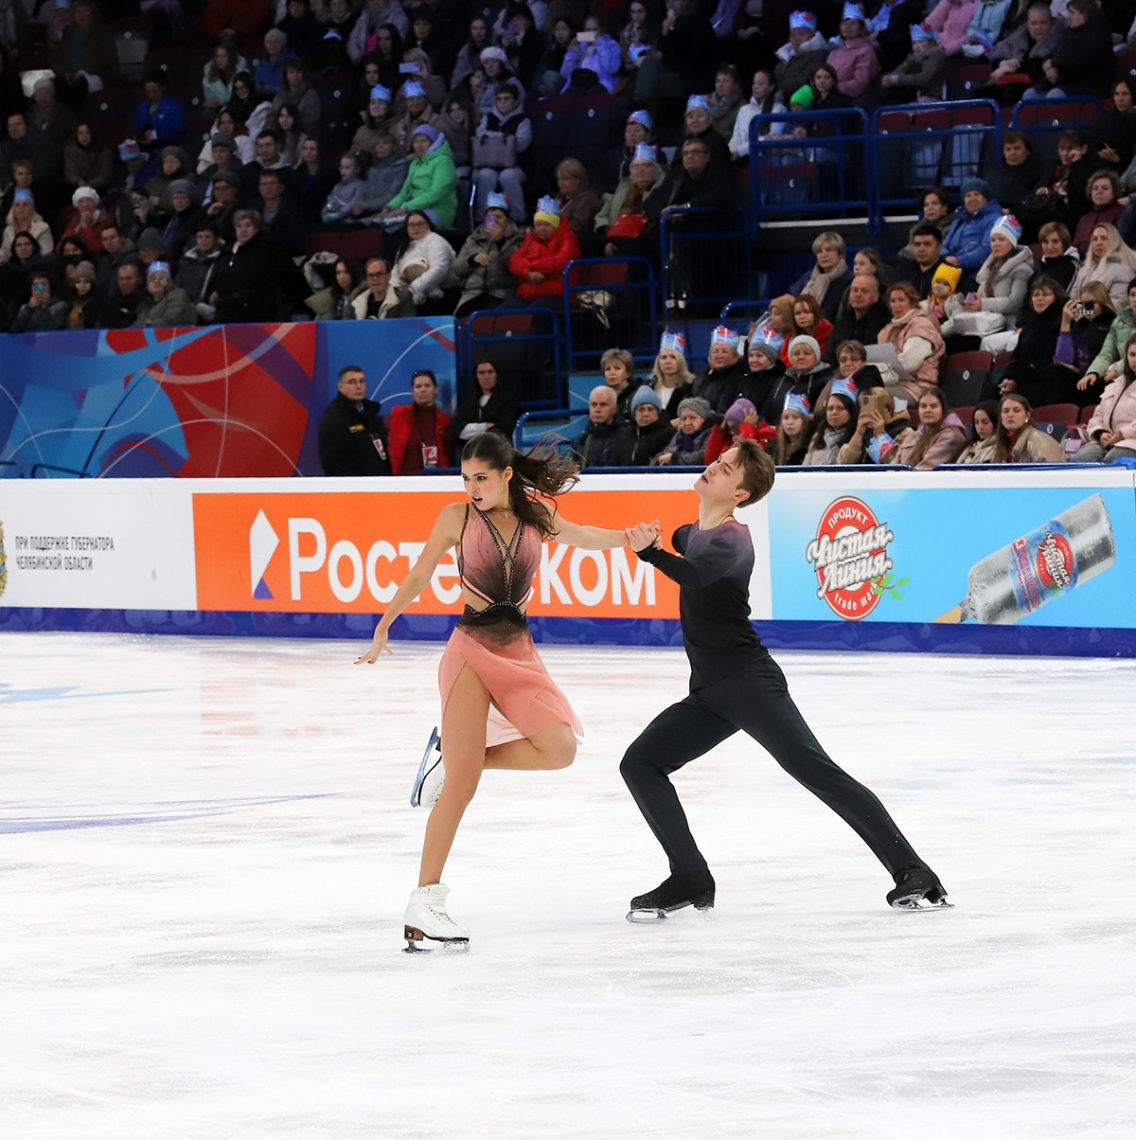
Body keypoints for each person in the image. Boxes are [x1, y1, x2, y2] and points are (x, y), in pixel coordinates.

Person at [620, 441, 947, 919]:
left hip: (748, 683)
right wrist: (660, 538)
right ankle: (690, 874)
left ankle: (914, 871)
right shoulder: (698, 532)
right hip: (710, 693)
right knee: (641, 763)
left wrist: (651, 552)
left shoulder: (735, 539)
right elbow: (682, 536)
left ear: (742, 492)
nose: (714, 465)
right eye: (718, 459)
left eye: (726, 467)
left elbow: (693, 574)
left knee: (817, 771)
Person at [355, 431, 635, 948]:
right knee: (461, 788)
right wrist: (384, 623)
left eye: (481, 478)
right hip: (469, 653)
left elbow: (583, 535)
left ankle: (455, 757)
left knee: (559, 748)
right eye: (465, 479)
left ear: (506, 475)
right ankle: (425, 904)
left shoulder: (536, 517)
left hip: (518, 653)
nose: (472, 488)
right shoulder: (456, 518)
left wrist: (628, 538)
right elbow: (419, 573)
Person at [452, 192, 522, 316]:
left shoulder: (517, 239)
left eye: (499, 217)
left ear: (507, 219)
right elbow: (456, 269)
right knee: (460, 319)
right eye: (490, 218)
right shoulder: (473, 239)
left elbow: (515, 269)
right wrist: (471, 260)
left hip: (500, 293)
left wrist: (499, 243)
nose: (494, 222)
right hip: (472, 293)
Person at [318, 364, 392, 476]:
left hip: (380, 484)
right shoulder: (334, 418)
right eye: (352, 382)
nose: (358, 386)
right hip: (354, 488)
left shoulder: (371, 413)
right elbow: (332, 462)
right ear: (340, 387)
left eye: (362, 381)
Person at [877, 281, 945, 402]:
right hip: (893, 383)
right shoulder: (886, 331)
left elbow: (909, 363)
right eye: (893, 301)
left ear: (912, 302)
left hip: (918, 388)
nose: (896, 305)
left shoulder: (921, 325)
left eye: (901, 300)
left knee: (872, 394)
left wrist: (879, 373)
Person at [509, 196, 580, 305]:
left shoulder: (568, 238)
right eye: (538, 225)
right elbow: (514, 261)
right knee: (505, 312)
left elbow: (559, 262)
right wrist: (528, 274)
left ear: (555, 226)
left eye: (547, 225)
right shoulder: (530, 238)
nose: (542, 228)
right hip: (529, 291)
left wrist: (530, 267)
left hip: (560, 293)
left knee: (536, 311)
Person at [1077, 334, 1136, 463]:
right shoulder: (1116, 385)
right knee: (1080, 458)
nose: (1135, 360)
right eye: (1132, 355)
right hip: (1109, 441)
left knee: (1113, 460)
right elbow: (1097, 416)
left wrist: (1122, 434)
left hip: (1131, 442)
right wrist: (1100, 433)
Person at [388, 369, 452, 474]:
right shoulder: (398, 415)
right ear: (412, 391)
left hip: (435, 481)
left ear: (435, 389)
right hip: (403, 481)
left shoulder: (445, 421)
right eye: (418, 386)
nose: (423, 390)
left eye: (427, 385)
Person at [889, 387, 968, 468]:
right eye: (923, 406)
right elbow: (894, 466)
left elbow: (926, 468)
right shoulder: (912, 436)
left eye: (933, 406)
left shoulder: (951, 436)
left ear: (943, 409)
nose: (928, 410)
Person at [451, 358, 519, 446]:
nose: (486, 376)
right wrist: (485, 426)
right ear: (476, 376)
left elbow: (503, 430)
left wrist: (472, 431)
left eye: (490, 372)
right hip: (473, 455)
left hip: (500, 453)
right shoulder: (468, 402)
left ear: (496, 375)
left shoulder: (508, 400)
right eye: (481, 373)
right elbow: (457, 430)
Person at [940, 179, 1002, 273]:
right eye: (968, 195)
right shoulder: (959, 219)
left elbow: (987, 249)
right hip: (950, 268)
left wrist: (959, 261)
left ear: (986, 198)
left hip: (978, 274)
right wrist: (945, 256)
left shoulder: (994, 219)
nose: (972, 199)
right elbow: (944, 243)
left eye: (976, 194)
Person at [838, 386, 914, 463]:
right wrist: (859, 433)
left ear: (887, 409)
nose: (870, 412)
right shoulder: (863, 432)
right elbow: (845, 462)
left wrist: (880, 436)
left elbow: (897, 462)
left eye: (875, 407)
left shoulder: (905, 433)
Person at [789, 232, 853, 322]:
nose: (823, 255)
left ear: (840, 254)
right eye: (819, 251)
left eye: (829, 250)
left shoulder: (849, 280)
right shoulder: (808, 277)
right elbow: (792, 299)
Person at [989, 393, 1065, 462]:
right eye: (1006, 411)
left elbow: (1051, 475)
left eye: (1016, 411)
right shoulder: (1001, 442)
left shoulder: (1039, 442)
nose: (1010, 415)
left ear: (1027, 415)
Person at [616, 385, 675, 466]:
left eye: (650, 409)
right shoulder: (624, 436)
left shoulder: (669, 434)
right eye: (641, 409)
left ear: (658, 412)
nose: (646, 414)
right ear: (634, 414)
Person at [803, 380, 858, 464]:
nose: (834, 412)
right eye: (830, 408)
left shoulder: (855, 438)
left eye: (840, 408)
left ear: (850, 412)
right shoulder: (817, 437)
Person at [649, 331, 696, 422]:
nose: (668, 362)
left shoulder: (691, 387)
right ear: (658, 362)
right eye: (664, 357)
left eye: (673, 357)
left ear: (681, 361)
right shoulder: (649, 386)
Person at [134, 260, 196, 327]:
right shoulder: (145, 304)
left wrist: (147, 325)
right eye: (152, 278)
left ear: (168, 281)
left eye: (161, 278)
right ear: (147, 283)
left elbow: (171, 320)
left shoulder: (178, 295)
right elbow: (137, 325)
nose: (156, 281)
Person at [575, 385, 623, 468]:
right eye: (593, 404)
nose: (597, 409)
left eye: (603, 405)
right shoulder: (581, 441)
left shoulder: (626, 438)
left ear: (614, 409)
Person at [772, 393, 814, 464]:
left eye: (795, 417)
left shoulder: (810, 447)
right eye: (786, 418)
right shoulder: (774, 447)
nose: (790, 422)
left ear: (804, 422)